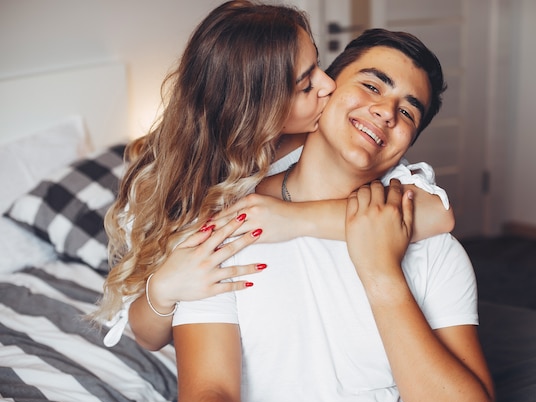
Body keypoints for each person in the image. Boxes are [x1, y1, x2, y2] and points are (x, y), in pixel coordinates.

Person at [92, 0, 454, 350]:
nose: (328, 85)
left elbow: (437, 212)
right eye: (306, 84)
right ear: (257, 106)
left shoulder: (324, 135)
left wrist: (293, 218)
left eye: (318, 65)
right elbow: (147, 337)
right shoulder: (172, 182)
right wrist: (163, 287)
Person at [171, 28, 495, 402]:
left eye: (408, 111)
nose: (387, 112)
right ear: (324, 92)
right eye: (373, 86)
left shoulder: (436, 248)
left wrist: (381, 273)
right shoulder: (231, 226)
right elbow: (208, 395)